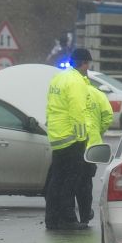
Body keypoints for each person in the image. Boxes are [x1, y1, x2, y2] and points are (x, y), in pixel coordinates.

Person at [44, 49, 90, 230]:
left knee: (56, 180)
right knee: (70, 181)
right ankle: (68, 218)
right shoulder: (76, 81)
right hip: (71, 139)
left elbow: (50, 106)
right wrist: (81, 137)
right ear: (84, 63)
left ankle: (51, 218)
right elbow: (77, 110)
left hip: (57, 136)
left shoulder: (58, 78)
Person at [74, 48, 114, 225]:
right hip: (92, 148)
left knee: (72, 181)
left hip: (74, 143)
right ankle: (85, 214)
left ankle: (71, 214)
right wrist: (99, 132)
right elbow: (108, 117)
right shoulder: (97, 95)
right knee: (85, 184)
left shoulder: (73, 92)